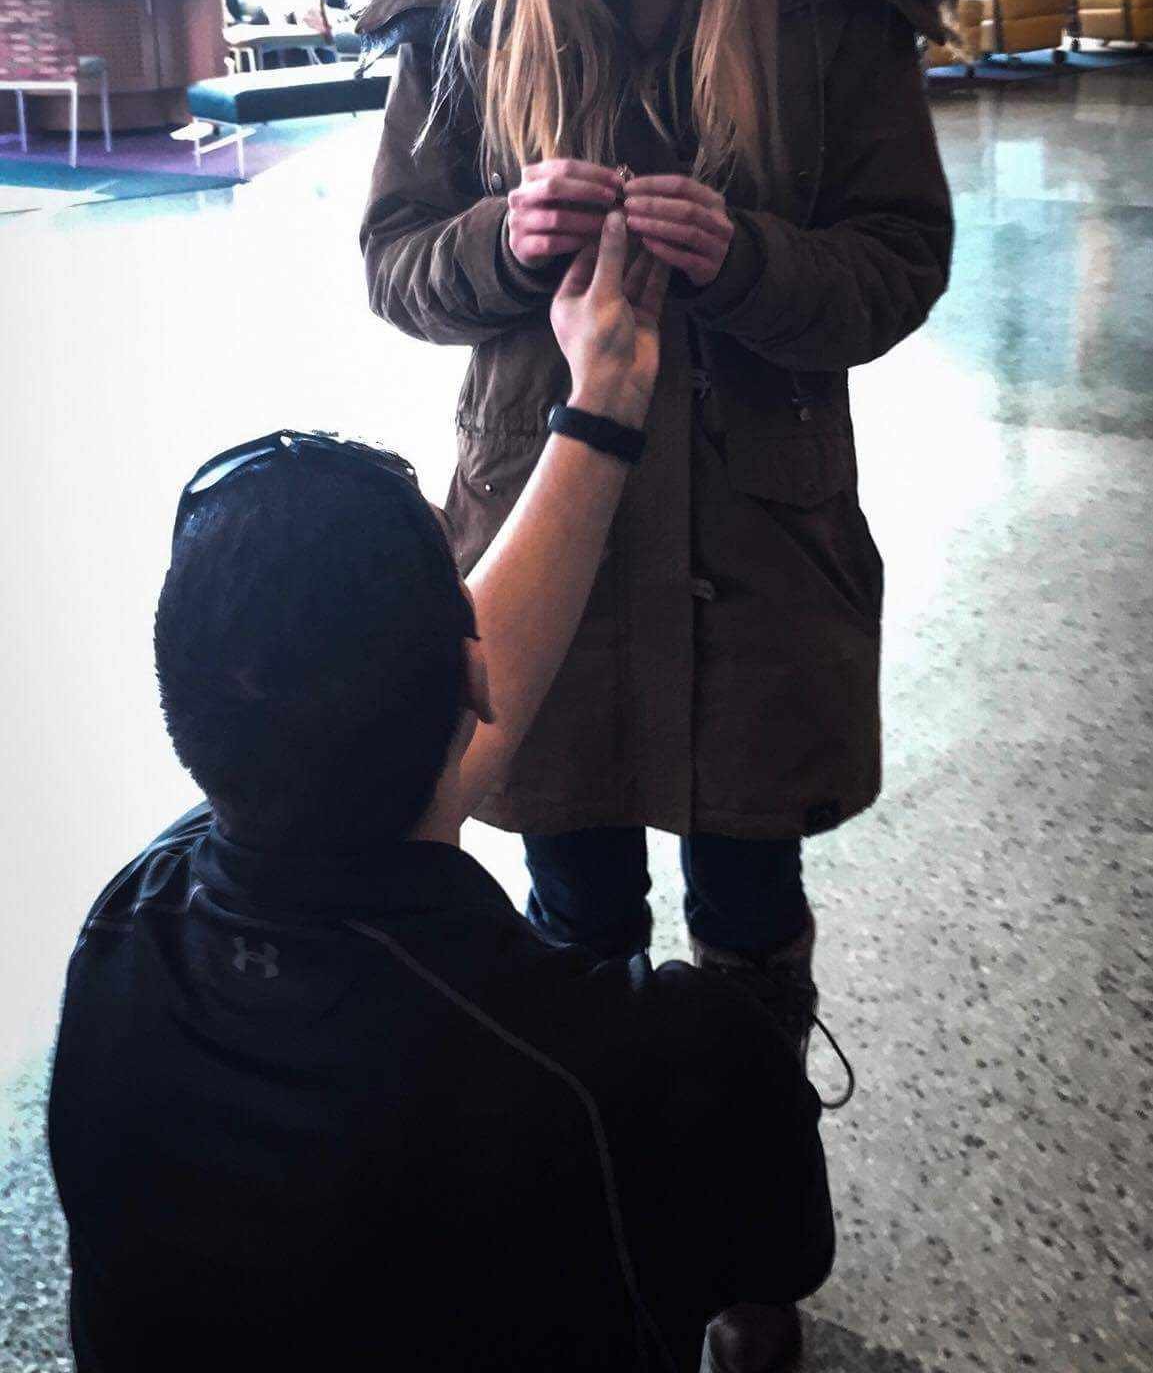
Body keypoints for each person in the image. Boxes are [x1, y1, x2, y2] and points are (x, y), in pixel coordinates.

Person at [48, 214, 834, 1373]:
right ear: (472, 676)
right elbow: (780, 1248)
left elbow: (435, 702)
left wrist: (599, 406)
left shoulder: (124, 935)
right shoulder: (639, 1064)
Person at [362, 0, 952, 1081]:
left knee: (750, 916)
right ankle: (611, 1210)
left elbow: (897, 265)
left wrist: (748, 258)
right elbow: (395, 264)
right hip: (543, 519)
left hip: (758, 533)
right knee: (574, 915)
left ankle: (751, 1238)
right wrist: (506, 240)